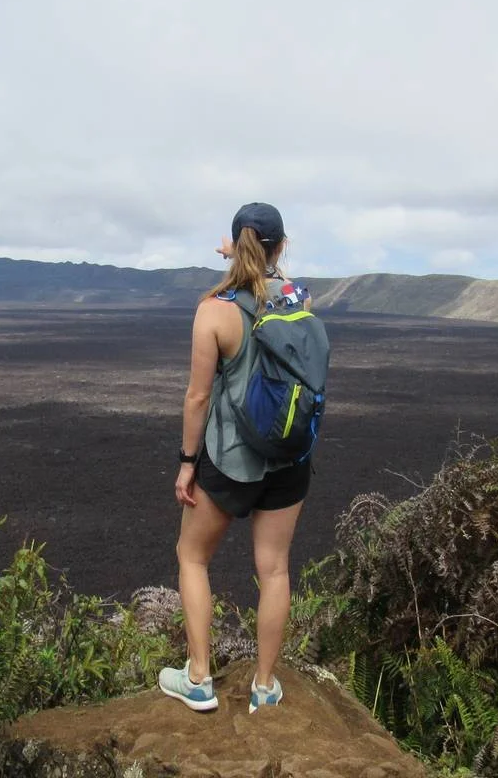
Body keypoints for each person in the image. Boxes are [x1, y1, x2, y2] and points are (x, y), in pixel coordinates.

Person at [158, 201, 314, 714]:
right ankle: (264, 688)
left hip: (231, 462)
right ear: (281, 247)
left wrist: (188, 463)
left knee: (192, 556)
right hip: (289, 458)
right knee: (274, 570)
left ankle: (199, 678)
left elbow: (198, 397)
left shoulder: (214, 311)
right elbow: (270, 276)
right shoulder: (296, 298)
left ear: (236, 244)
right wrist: (250, 256)